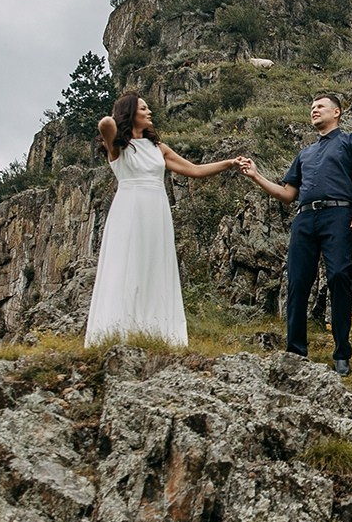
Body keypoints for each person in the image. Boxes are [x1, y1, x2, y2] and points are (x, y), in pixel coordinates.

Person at [85, 91, 240, 347]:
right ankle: (118, 331)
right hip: (129, 209)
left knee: (154, 265)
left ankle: (155, 332)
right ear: (131, 113)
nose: (150, 112)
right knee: (126, 265)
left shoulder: (159, 148)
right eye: (143, 109)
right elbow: (105, 125)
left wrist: (229, 163)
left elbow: (195, 170)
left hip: (156, 209)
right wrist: (114, 121)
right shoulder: (118, 147)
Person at [237, 94, 352, 374]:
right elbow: (287, 195)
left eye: (320, 106)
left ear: (337, 112)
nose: (314, 110)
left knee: (338, 276)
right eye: (311, 107)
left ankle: (341, 355)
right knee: (297, 282)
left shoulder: (351, 140)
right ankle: (296, 352)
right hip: (304, 218)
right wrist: (256, 176)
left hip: (338, 214)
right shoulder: (305, 154)